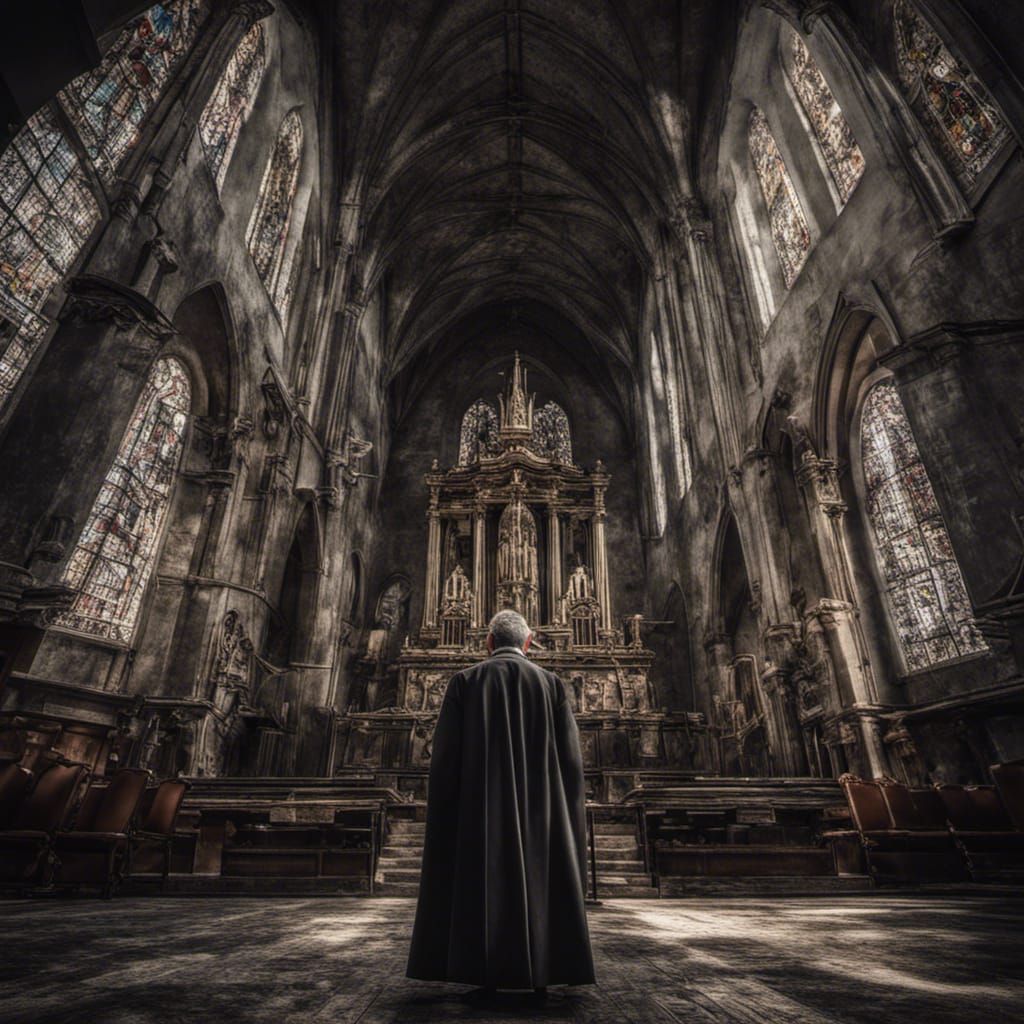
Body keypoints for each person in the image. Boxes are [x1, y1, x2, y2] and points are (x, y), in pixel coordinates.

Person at [406, 609, 595, 995]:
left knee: (482, 882)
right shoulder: (553, 685)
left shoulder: (464, 681)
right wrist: (568, 814)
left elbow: (443, 761)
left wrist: (447, 813)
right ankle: (542, 966)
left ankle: (481, 966)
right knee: (541, 882)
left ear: (489, 642)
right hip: (543, 813)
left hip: (479, 812)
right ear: (529, 642)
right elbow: (572, 763)